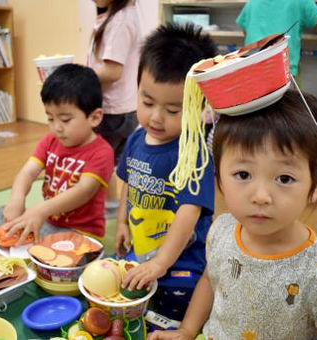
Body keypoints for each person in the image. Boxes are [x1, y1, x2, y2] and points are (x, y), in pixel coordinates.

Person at [149, 90, 317, 339]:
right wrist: (187, 330)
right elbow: (210, 281)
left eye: (284, 178)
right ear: (218, 176)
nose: (261, 196)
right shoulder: (221, 230)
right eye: (243, 174)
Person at [115, 23, 217, 321]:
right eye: (147, 102)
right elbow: (129, 183)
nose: (156, 117)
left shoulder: (193, 153)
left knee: (173, 311)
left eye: (174, 110)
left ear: (199, 106)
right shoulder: (135, 138)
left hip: (181, 264)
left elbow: (189, 214)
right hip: (142, 251)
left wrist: (161, 264)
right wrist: (121, 222)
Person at [0, 64, 114, 244]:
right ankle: (33, 250)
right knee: (2, 214)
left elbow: (83, 191)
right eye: (50, 118)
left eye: (65, 119)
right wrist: (16, 200)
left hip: (81, 234)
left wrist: (40, 210)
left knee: (40, 239)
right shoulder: (50, 141)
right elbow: (28, 172)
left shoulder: (102, 152)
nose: (57, 127)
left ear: (95, 117)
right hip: (49, 222)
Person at [88, 0, 142, 217]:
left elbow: (112, 71)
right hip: (125, 106)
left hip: (113, 108)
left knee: (100, 158)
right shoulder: (121, 15)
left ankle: (108, 205)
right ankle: (113, 205)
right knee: (112, 161)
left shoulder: (119, 21)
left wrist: (80, 75)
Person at [236, 0, 317, 76]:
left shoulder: (253, 2)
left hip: (249, 69)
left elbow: (245, 29)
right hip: (280, 73)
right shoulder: (302, 2)